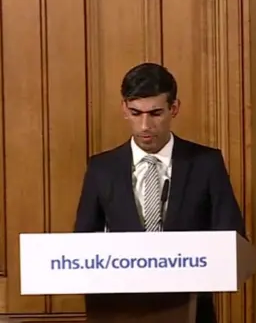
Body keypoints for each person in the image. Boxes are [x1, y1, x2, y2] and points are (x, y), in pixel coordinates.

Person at [74, 62, 246, 323]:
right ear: (124, 109)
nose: (145, 125)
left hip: (189, 306)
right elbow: (82, 243)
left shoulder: (206, 163)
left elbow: (232, 237)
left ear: (173, 108)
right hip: (121, 308)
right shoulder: (101, 169)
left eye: (155, 113)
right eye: (135, 113)